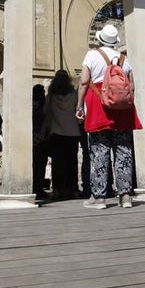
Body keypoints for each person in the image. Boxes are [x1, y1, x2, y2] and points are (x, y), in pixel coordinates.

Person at [76, 25, 141, 209]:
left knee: (99, 151)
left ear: (100, 39)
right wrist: (124, 104)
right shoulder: (124, 60)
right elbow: (132, 86)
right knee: (124, 151)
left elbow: (84, 81)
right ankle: (125, 196)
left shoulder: (92, 55)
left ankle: (99, 198)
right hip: (122, 110)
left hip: (99, 106)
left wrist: (79, 105)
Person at [43, 69, 82, 201]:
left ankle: (58, 189)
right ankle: (73, 189)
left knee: (57, 163)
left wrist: (45, 128)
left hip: (56, 132)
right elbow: (78, 108)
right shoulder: (73, 94)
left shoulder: (52, 95)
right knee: (72, 161)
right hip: (72, 132)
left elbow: (46, 112)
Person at [31, 83, 49, 201]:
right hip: (41, 136)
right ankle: (38, 188)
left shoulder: (29, 105)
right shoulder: (44, 105)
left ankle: (33, 186)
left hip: (30, 136)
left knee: (33, 163)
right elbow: (46, 119)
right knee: (40, 164)